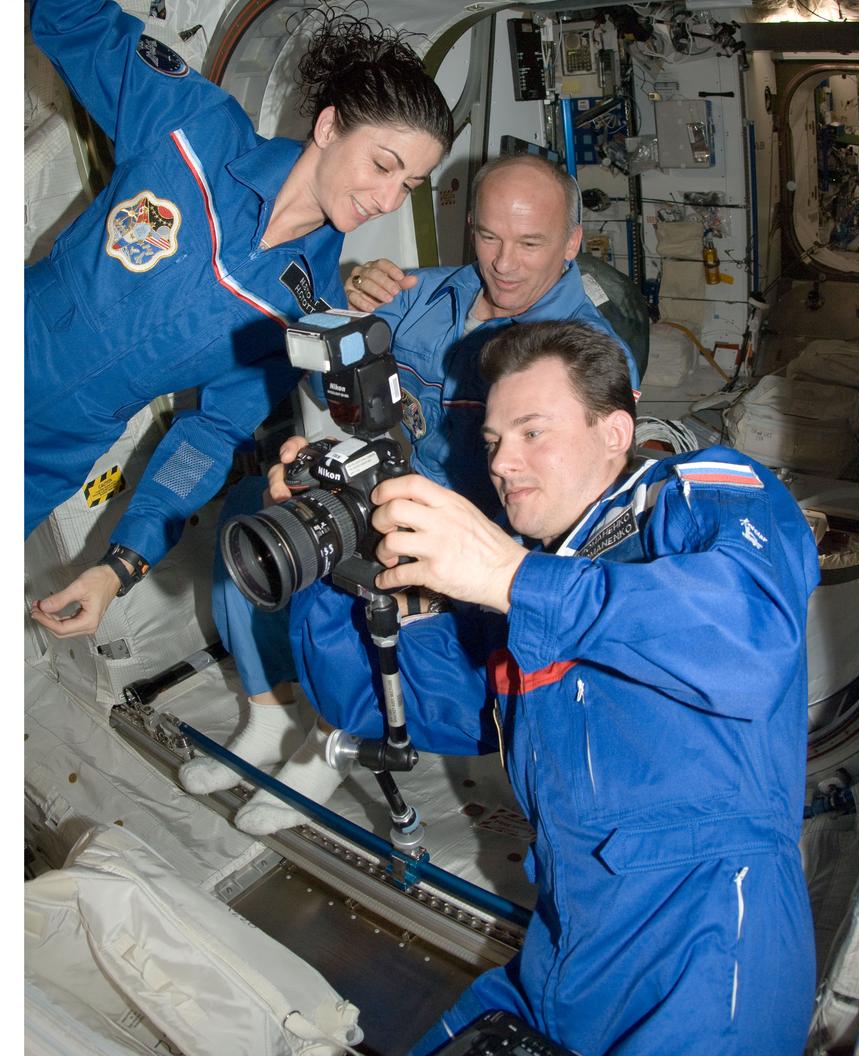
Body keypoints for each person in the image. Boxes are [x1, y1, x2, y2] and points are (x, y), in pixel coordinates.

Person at [286, 320, 819, 1055]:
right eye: (494, 442)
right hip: (563, 961)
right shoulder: (523, 604)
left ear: (614, 431)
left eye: (533, 432)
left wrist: (513, 577)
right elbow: (369, 699)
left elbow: (751, 637)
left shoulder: (694, 498)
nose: (504, 463)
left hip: (704, 957)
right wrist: (328, 553)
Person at [26, 0, 452, 638]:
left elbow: (211, 433)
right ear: (329, 127)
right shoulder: (193, 130)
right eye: (381, 163)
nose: (382, 197)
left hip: (45, 460)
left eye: (405, 187)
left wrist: (121, 565)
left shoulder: (302, 303)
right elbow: (61, 14)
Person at [179, 154, 644, 829]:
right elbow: (335, 385)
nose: (505, 263)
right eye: (488, 236)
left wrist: (458, 569)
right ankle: (268, 713)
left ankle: (324, 743)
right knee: (261, 512)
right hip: (386, 486)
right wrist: (349, 309)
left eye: (531, 243)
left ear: (573, 243)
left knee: (346, 572)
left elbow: (571, 519)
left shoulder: (586, 357)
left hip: (475, 538)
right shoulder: (417, 294)